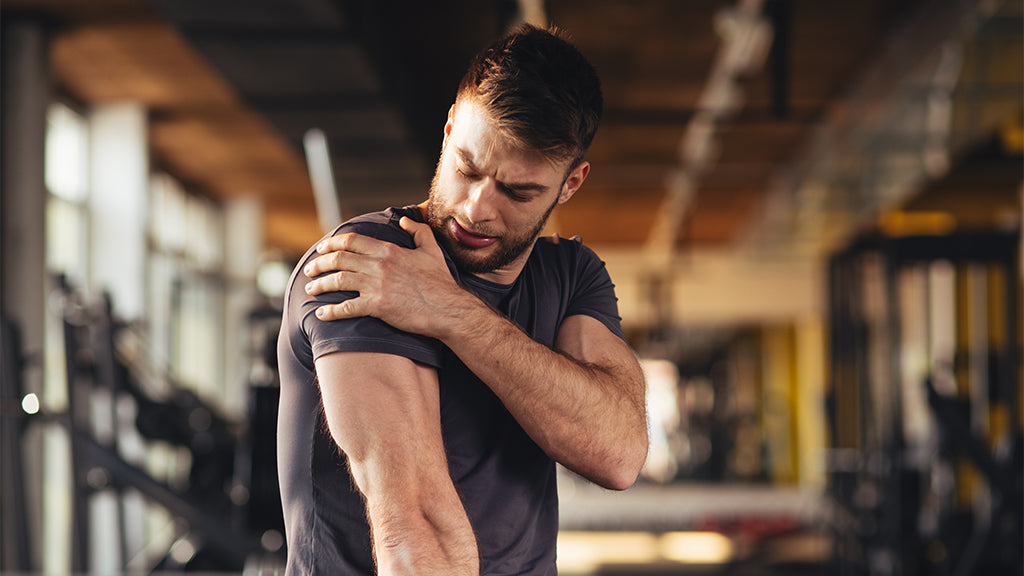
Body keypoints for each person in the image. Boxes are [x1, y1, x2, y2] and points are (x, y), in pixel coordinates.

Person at [277, 23, 648, 575]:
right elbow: (413, 528)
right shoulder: (372, 262)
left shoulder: (570, 274)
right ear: (449, 131)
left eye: (518, 191)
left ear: (570, 184)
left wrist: (450, 312)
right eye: (467, 168)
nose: (477, 208)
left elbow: (618, 453)